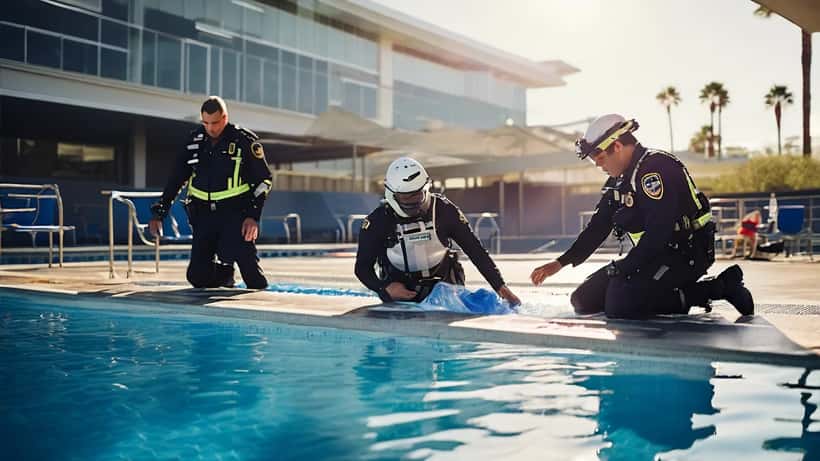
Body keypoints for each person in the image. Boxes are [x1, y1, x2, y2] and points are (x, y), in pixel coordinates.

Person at [530, 114, 754, 319]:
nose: (597, 164)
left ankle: (720, 287)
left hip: (687, 253)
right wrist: (560, 263)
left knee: (621, 305)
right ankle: (669, 292)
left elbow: (659, 231)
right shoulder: (619, 181)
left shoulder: (655, 169)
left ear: (616, 146)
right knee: (583, 300)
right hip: (653, 254)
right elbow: (598, 227)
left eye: (597, 156)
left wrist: (625, 266)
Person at [355, 157, 521, 306]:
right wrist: (384, 288)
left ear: (427, 188)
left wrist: (500, 287)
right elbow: (362, 267)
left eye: (418, 195)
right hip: (400, 291)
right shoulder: (377, 221)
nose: (414, 202)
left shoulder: (445, 210)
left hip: (445, 285)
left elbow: (475, 250)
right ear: (392, 194)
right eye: (407, 197)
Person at [149, 96, 272, 289]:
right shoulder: (193, 142)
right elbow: (176, 179)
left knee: (253, 279)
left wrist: (252, 216)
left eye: (215, 122)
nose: (211, 128)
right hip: (203, 216)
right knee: (197, 277)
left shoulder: (244, 141)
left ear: (224, 117)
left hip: (235, 215)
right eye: (205, 123)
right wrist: (159, 213)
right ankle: (225, 276)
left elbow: (264, 180)